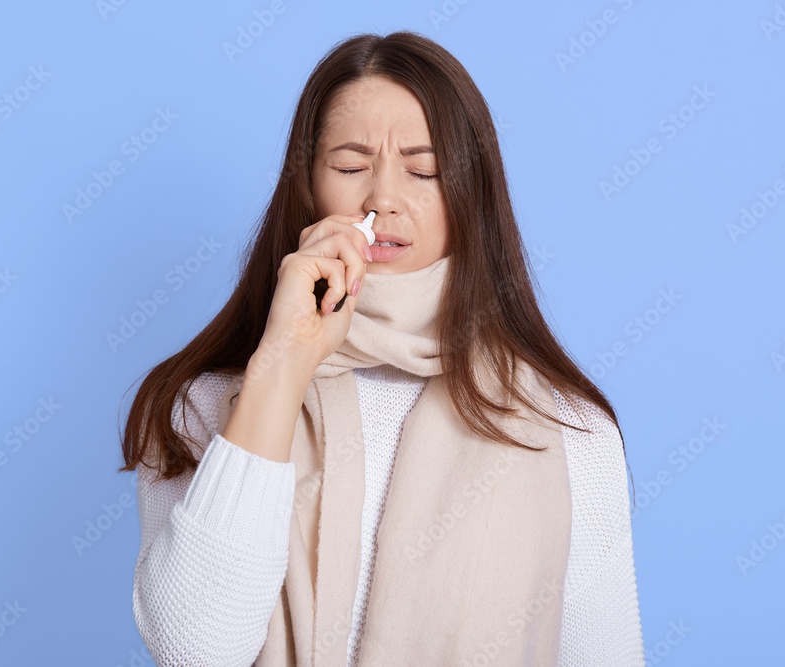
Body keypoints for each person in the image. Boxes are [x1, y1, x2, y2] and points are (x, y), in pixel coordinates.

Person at [118, 30, 645, 667]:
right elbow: (194, 649)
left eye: (423, 171)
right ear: (307, 188)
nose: (384, 200)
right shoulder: (205, 404)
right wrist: (282, 365)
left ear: (469, 199)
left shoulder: (568, 429)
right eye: (349, 167)